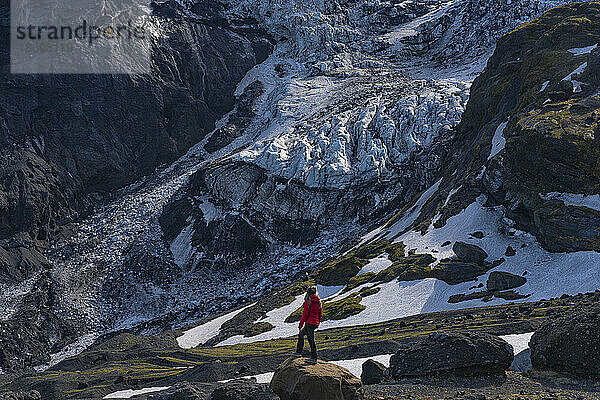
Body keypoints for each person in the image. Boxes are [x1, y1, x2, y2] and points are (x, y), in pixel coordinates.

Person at [295, 285, 322, 363]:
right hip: (314, 323)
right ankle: (298, 352)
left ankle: (314, 358)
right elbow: (320, 314)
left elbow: (305, 315)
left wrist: (300, 325)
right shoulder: (318, 301)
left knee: (311, 340)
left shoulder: (309, 301)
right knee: (301, 335)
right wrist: (317, 322)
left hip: (309, 323)